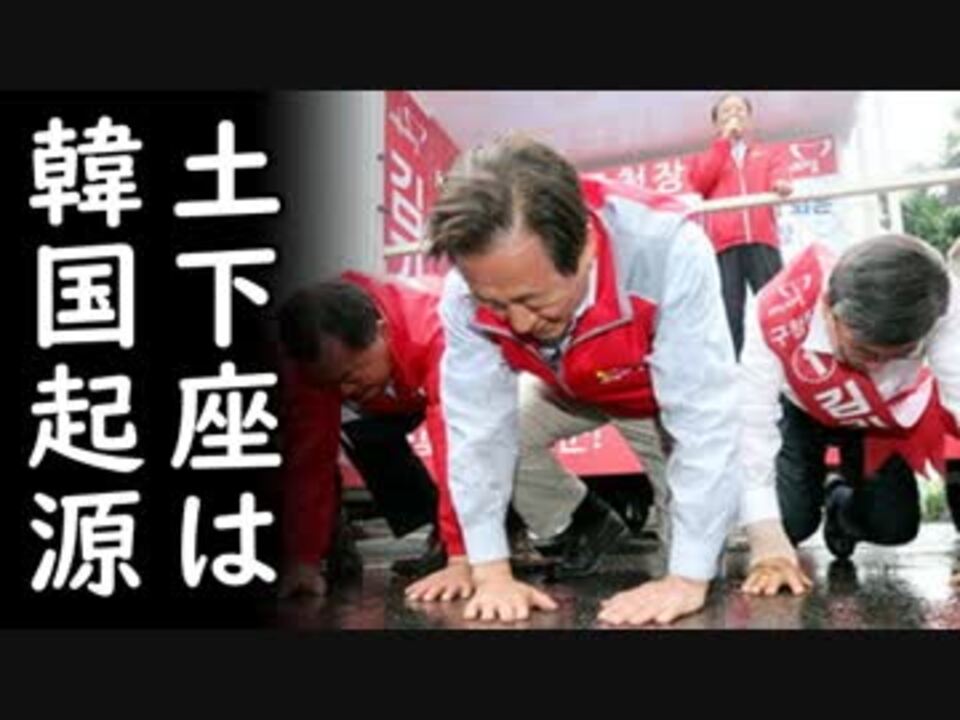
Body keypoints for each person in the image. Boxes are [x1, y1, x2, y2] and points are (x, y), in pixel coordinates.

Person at [425, 134, 741, 626]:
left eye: (533, 300)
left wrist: (686, 579)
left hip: (652, 397)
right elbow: (476, 430)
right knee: (507, 439)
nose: (519, 324)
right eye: (495, 305)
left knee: (693, 561)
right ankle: (586, 523)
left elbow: (703, 422)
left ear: (588, 245)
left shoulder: (667, 250)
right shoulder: (464, 294)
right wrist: (490, 571)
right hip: (565, 389)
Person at [738, 235, 960, 596]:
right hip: (799, 407)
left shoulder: (942, 301)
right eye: (864, 351)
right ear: (828, 308)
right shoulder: (774, 309)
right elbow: (751, 424)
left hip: (879, 414)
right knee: (789, 523)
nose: (876, 364)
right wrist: (767, 545)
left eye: (898, 355)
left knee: (894, 528)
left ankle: (839, 505)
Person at [687, 93, 793, 358]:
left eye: (740, 110)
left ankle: (786, 369)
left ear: (749, 120)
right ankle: (731, 371)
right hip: (724, 246)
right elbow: (700, 183)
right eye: (727, 111)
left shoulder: (769, 153)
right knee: (729, 314)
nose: (734, 115)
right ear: (716, 123)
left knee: (776, 309)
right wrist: (723, 143)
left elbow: (780, 176)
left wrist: (781, 185)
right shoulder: (706, 157)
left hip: (763, 242)